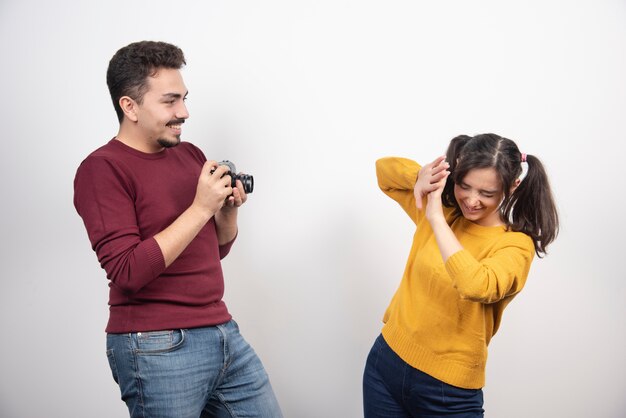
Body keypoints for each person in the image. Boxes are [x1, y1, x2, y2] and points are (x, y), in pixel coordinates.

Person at [73, 41, 283, 418]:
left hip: (222, 332)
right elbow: (128, 272)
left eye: (184, 98)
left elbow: (210, 250)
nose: (184, 112)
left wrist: (226, 213)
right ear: (130, 106)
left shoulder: (190, 155)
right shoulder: (102, 169)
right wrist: (200, 207)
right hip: (155, 345)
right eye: (170, 101)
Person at [363, 133, 559, 417]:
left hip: (447, 393)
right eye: (464, 186)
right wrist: (423, 175)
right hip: (386, 364)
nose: (471, 200)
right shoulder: (442, 208)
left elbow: (476, 284)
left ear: (512, 186)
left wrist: (436, 220)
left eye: (487, 193)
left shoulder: (515, 244)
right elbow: (385, 172)